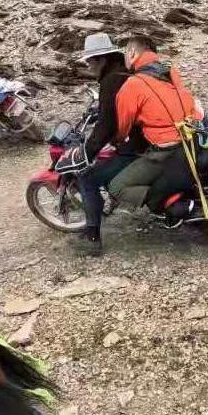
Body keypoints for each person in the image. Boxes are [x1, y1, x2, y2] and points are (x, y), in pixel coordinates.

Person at [106, 36, 205, 217]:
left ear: (132, 53)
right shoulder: (169, 72)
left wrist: (116, 141)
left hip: (165, 152)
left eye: (126, 53)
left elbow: (124, 126)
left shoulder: (133, 84)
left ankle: (164, 203)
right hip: (191, 140)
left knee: (116, 187)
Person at [70, 33, 147, 255]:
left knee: (88, 177)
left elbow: (106, 126)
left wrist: (87, 152)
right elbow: (115, 111)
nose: (88, 66)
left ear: (102, 60)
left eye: (90, 61)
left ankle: (92, 240)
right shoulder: (127, 72)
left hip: (136, 146)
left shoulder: (111, 81)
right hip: (149, 138)